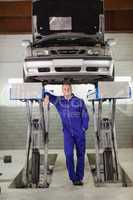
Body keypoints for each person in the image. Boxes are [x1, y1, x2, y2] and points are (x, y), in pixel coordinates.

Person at [43, 83, 89, 186]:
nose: (66, 90)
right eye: (64, 89)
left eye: (68, 88)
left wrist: (83, 128)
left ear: (71, 89)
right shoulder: (59, 101)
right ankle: (73, 178)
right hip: (68, 134)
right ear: (62, 90)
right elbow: (46, 94)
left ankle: (79, 178)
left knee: (81, 155)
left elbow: (85, 115)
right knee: (68, 155)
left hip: (79, 133)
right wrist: (46, 97)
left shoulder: (79, 101)